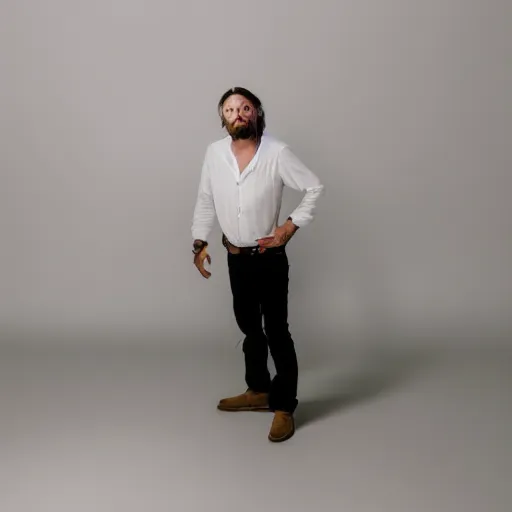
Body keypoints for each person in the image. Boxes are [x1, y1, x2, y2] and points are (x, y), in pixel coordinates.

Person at [191, 87, 324, 442]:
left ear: (256, 113)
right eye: (230, 109)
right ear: (222, 118)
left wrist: (288, 228)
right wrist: (199, 242)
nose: (238, 114)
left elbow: (313, 187)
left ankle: (284, 406)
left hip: (269, 258)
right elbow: (206, 198)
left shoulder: (276, 153)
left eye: (245, 107)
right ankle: (258, 390)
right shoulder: (214, 153)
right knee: (250, 326)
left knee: (276, 330)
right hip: (236, 258)